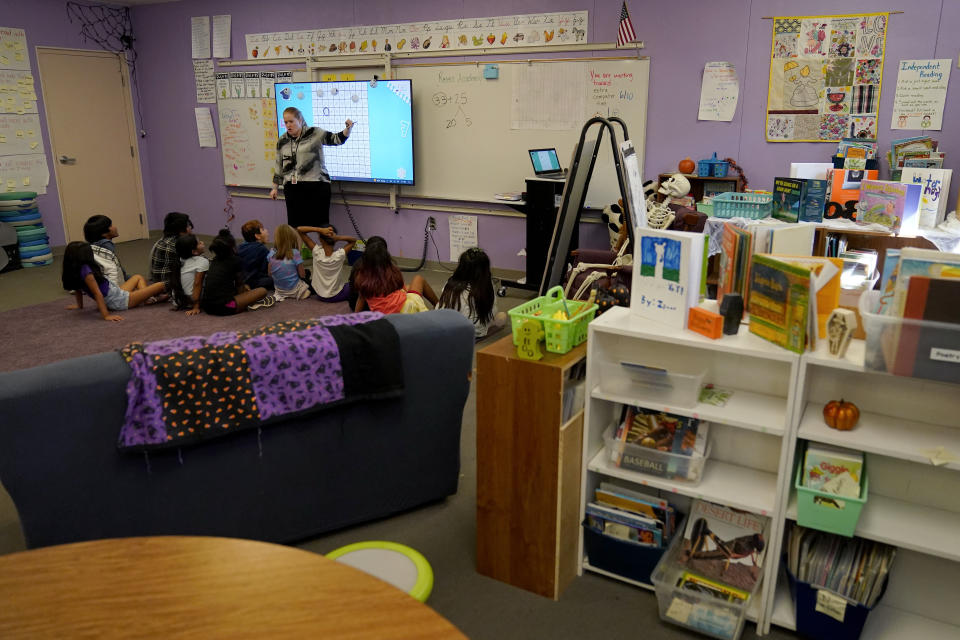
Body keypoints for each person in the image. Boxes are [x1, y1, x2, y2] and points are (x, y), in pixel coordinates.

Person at [269, 106, 353, 227]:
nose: (288, 125)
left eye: (291, 121)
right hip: (293, 188)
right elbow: (278, 165)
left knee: (321, 225)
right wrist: (275, 188)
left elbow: (335, 139)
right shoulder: (282, 141)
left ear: (300, 120)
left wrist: (348, 129)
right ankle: (296, 247)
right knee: (295, 226)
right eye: (286, 122)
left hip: (317, 185)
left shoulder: (315, 133)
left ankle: (322, 246)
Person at [62, 241, 166, 322]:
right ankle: (147, 298)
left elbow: (77, 290)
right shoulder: (86, 271)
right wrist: (106, 315)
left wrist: (79, 306)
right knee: (160, 285)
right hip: (118, 300)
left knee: (137, 277)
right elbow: (97, 293)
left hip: (114, 292)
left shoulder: (73, 270)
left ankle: (146, 298)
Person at [200, 229, 275, 315]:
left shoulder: (214, 260)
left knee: (246, 289)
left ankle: (245, 302)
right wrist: (246, 295)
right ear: (232, 247)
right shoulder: (235, 261)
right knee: (262, 291)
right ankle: (248, 304)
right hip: (226, 307)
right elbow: (239, 286)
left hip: (207, 306)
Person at [352, 239, 438, 314]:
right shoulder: (392, 271)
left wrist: (355, 318)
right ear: (386, 257)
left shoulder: (361, 277)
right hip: (406, 308)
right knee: (418, 279)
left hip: (384, 316)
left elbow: (361, 299)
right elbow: (402, 288)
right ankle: (439, 305)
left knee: (408, 287)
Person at [438, 247, 507, 339]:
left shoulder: (451, 282)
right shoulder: (486, 285)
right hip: (470, 331)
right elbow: (491, 312)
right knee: (502, 316)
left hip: (443, 325)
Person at [297, 224, 356, 303]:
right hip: (336, 295)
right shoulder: (340, 255)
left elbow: (299, 229)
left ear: (320, 239)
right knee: (354, 284)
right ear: (334, 240)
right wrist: (338, 238)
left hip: (320, 295)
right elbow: (353, 240)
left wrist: (320, 230)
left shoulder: (316, 252)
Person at [168, 234, 209, 316]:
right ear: (194, 251)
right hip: (192, 299)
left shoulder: (179, 260)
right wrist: (196, 306)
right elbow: (197, 283)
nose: (202, 242)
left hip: (179, 299)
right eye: (199, 243)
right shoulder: (202, 261)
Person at [83, 214, 129, 286]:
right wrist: (124, 277)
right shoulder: (106, 244)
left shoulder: (92, 245)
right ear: (104, 233)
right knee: (138, 278)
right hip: (110, 281)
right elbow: (114, 266)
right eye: (111, 226)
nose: (114, 227)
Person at [268, 224, 311, 300]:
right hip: (294, 289)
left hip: (279, 290)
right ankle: (297, 293)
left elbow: (270, 274)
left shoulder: (271, 253)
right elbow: (302, 275)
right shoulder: (295, 253)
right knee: (307, 273)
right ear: (292, 238)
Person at [149, 212, 193, 284]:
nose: (190, 227)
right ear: (180, 230)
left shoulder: (165, 240)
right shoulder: (175, 245)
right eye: (188, 225)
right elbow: (192, 264)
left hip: (159, 282)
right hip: (167, 286)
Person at [237, 219, 274, 291]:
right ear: (257, 236)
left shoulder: (240, 246)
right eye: (263, 229)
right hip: (252, 281)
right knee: (274, 279)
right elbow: (266, 271)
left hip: (240, 280)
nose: (266, 231)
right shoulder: (262, 249)